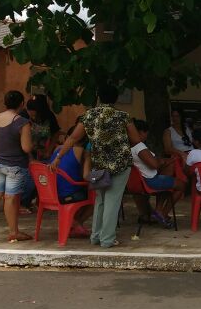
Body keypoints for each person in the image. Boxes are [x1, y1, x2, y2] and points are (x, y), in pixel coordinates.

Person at [51, 84, 140, 248]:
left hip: (98, 165)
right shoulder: (123, 116)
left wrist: (58, 157)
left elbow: (72, 138)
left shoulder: (88, 116)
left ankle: (96, 236)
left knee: (100, 200)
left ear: (99, 98)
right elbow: (135, 139)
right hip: (120, 164)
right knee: (112, 201)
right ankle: (107, 239)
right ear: (116, 98)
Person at [0, 90, 34, 242]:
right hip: (14, 166)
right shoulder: (22, 122)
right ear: (21, 104)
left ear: (5, 103)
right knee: (10, 198)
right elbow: (26, 148)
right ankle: (13, 232)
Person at [130, 120, 185, 227]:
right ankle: (163, 214)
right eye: (146, 133)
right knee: (181, 185)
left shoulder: (125, 146)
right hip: (149, 181)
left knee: (169, 168)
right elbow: (154, 164)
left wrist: (164, 161)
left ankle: (158, 210)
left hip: (137, 182)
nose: (146, 136)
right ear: (141, 132)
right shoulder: (139, 146)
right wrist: (162, 161)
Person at [47, 126, 93, 238]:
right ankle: (77, 223)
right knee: (97, 197)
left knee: (83, 191)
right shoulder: (81, 151)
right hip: (68, 195)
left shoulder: (57, 149)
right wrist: (88, 159)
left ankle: (73, 223)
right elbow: (86, 176)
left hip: (52, 193)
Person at [25, 94, 60, 160]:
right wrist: (30, 157)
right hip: (25, 153)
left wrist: (49, 151)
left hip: (42, 153)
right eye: (31, 116)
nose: (33, 118)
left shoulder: (49, 117)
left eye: (35, 116)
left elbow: (56, 133)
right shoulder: (24, 116)